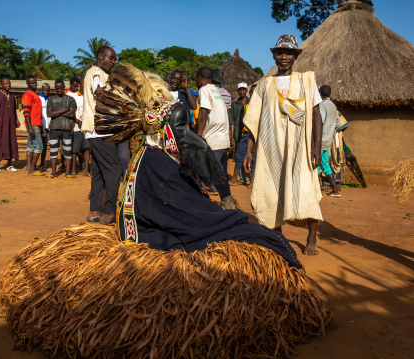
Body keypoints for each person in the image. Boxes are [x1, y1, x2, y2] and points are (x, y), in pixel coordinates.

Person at [93, 62, 301, 268]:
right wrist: (234, 216)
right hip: (156, 240)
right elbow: (197, 220)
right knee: (263, 237)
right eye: (181, 126)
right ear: (162, 128)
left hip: (153, 231)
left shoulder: (148, 153)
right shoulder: (161, 167)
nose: (188, 134)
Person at [243, 34, 323, 256]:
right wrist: (249, 150)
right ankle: (278, 237)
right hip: (271, 150)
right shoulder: (264, 86)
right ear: (274, 55)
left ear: (295, 56)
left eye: (289, 52)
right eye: (280, 52)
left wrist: (316, 148)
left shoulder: (306, 81)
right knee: (270, 190)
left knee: (306, 189)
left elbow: (317, 116)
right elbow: (254, 121)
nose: (284, 56)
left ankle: (311, 237)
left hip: (301, 148)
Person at [81, 46, 120, 225]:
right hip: (102, 130)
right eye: (110, 58)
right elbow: (100, 92)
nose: (113, 62)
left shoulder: (94, 72)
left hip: (94, 131)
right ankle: (109, 213)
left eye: (114, 59)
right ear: (100, 57)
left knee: (98, 171)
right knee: (114, 169)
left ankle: (95, 211)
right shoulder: (96, 73)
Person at [195, 66, 236, 207]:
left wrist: (198, 137)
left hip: (214, 140)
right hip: (222, 139)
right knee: (220, 175)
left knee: (203, 172)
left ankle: (198, 204)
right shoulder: (216, 90)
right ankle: (228, 202)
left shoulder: (204, 90)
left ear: (200, 78)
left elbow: (204, 112)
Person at [0, 77, 20, 172]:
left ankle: (9, 165)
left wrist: (16, 120)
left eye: (9, 83)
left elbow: (14, 110)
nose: (8, 85)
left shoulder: (13, 96)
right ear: (1, 85)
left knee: (11, 142)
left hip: (10, 124)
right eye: (5, 83)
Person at [47, 79, 76, 179]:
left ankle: (67, 173)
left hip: (67, 128)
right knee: (53, 151)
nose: (59, 90)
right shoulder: (51, 99)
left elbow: (72, 114)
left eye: (61, 88)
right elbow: (48, 113)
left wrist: (57, 112)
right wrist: (64, 110)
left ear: (64, 87)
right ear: (55, 88)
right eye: (57, 88)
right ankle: (54, 172)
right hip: (54, 128)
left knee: (68, 151)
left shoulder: (70, 99)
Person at [229, 84, 257, 186]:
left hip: (253, 133)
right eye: (251, 92)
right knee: (240, 154)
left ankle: (250, 180)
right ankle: (238, 178)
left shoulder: (259, 104)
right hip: (245, 133)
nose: (252, 93)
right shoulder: (246, 104)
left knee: (251, 156)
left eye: (253, 92)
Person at [318, 85, 341, 197]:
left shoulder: (322, 105)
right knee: (324, 165)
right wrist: (330, 129)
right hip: (328, 140)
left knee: (316, 164)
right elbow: (338, 123)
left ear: (320, 93)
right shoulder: (333, 106)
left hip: (320, 140)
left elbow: (319, 121)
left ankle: (317, 191)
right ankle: (335, 190)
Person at [22, 75, 44, 175]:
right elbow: (26, 112)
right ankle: (32, 169)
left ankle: (28, 168)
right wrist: (30, 127)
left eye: (35, 82)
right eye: (31, 83)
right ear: (27, 84)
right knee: (39, 147)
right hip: (33, 124)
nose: (34, 84)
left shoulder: (35, 94)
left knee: (30, 146)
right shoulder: (28, 94)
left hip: (36, 124)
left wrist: (41, 126)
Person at [39, 83, 51, 172]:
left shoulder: (50, 99)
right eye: (44, 90)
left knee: (44, 147)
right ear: (41, 90)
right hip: (39, 126)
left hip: (48, 128)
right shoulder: (38, 98)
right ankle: (32, 165)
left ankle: (42, 164)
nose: (46, 92)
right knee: (36, 147)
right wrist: (41, 127)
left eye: (47, 90)